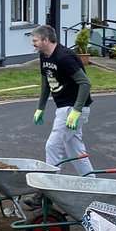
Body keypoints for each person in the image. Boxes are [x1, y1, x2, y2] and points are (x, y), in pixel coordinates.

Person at [31, 24, 94, 174]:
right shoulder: (44, 56)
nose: (33, 43)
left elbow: (85, 83)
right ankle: (92, 183)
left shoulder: (64, 57)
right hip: (64, 107)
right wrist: (41, 107)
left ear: (46, 40)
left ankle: (49, 189)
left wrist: (76, 111)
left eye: (35, 41)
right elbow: (46, 83)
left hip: (73, 107)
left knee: (52, 146)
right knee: (75, 151)